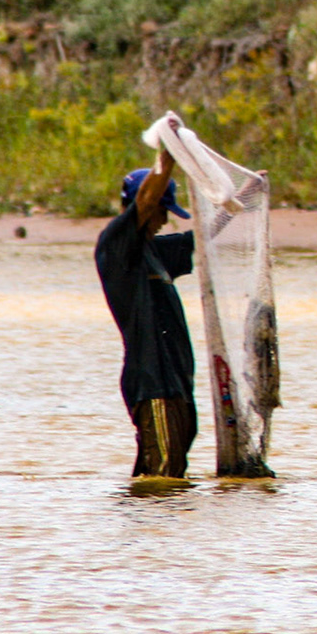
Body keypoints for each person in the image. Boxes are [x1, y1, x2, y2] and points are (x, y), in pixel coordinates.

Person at [95, 145, 198, 478]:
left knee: (164, 477)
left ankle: (153, 528)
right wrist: (166, 161)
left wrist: (246, 196)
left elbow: (208, 237)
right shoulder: (117, 246)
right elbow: (146, 201)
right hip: (153, 383)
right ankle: (154, 532)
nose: (166, 219)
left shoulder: (155, 252)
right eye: (162, 210)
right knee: (163, 480)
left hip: (176, 384)